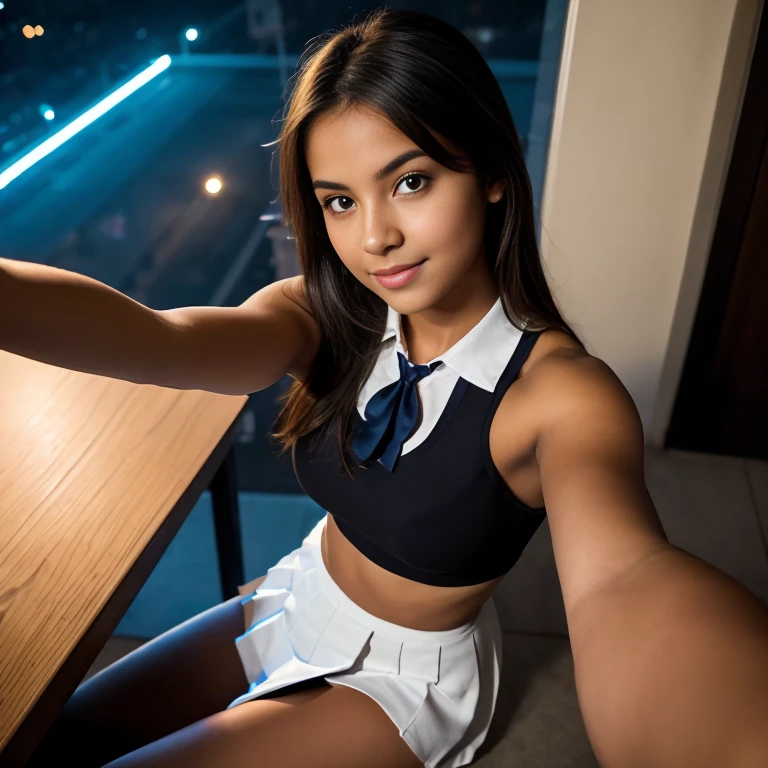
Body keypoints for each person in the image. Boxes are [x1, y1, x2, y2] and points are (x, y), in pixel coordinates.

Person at [5, 7, 768, 768]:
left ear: (494, 173)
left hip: (403, 682)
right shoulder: (325, 314)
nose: (374, 238)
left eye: (409, 181)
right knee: (49, 739)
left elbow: (624, 577)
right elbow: (161, 341)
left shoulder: (561, 395)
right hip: (300, 593)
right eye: (340, 200)